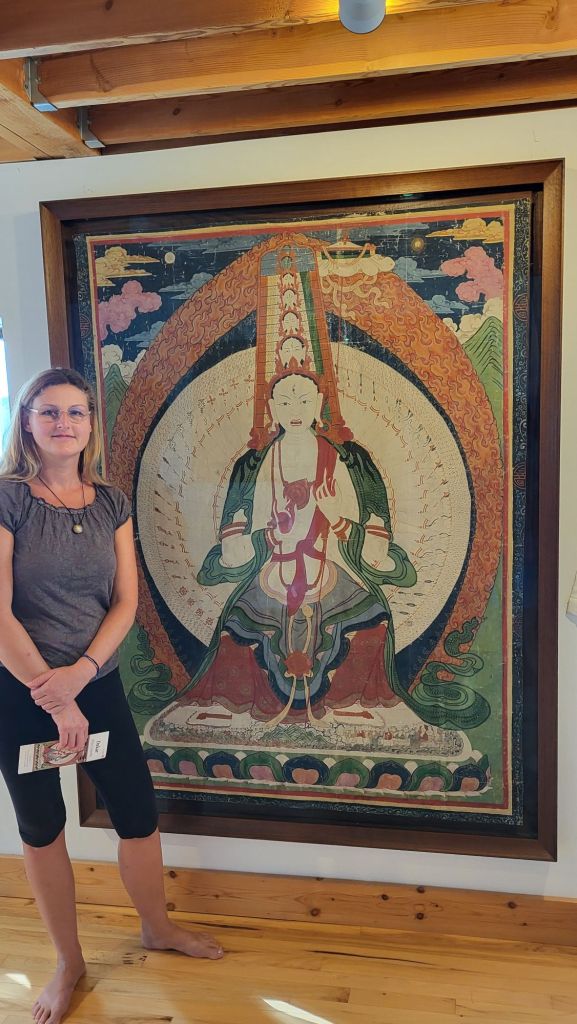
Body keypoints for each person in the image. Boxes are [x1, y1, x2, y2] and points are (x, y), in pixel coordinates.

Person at [0, 368, 223, 1024]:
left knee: (136, 812)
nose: (63, 423)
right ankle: (68, 963)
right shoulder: (7, 499)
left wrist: (84, 672)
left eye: (75, 412)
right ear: (27, 422)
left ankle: (157, 927)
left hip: (95, 684)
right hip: (21, 692)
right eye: (49, 411)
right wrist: (56, 696)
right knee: (42, 826)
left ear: (91, 425)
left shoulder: (110, 503)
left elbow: (126, 600)